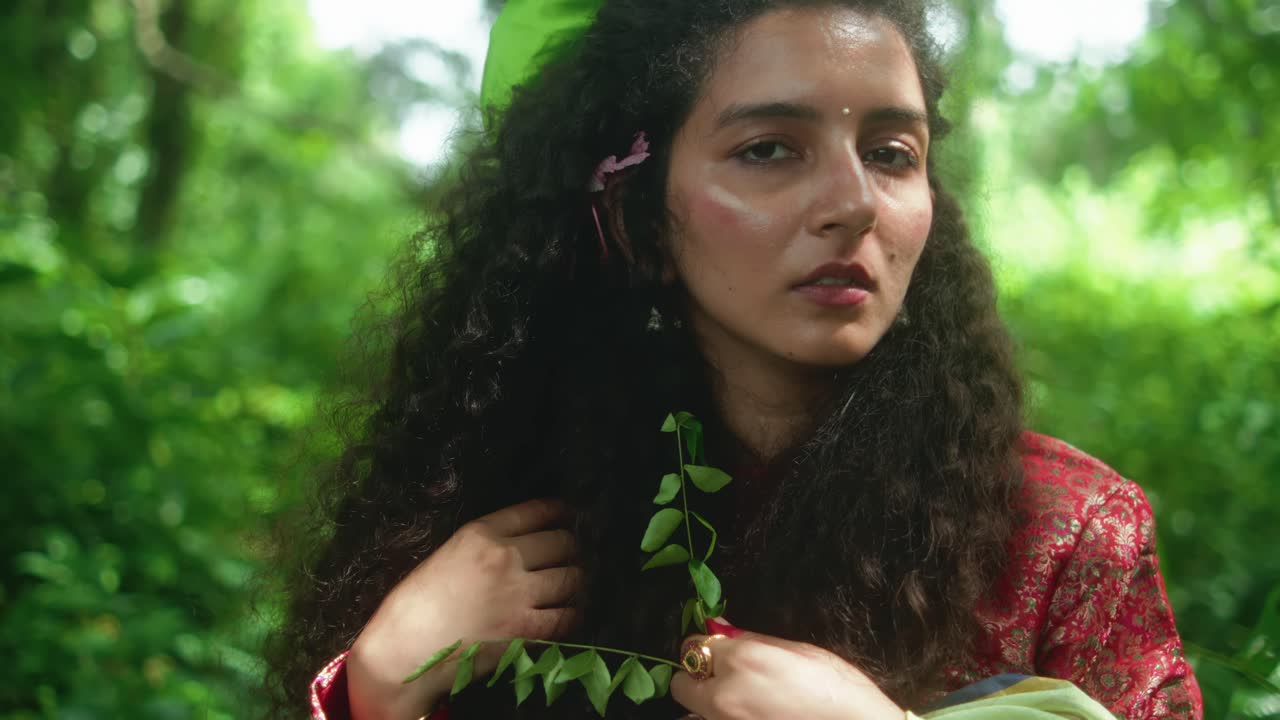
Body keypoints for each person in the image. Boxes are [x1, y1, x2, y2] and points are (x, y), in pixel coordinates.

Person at [264, 0, 1204, 718]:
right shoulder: (502, 520)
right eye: (768, 149)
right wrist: (380, 686)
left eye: (890, 151)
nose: (854, 201)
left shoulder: (1064, 532)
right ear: (635, 223)